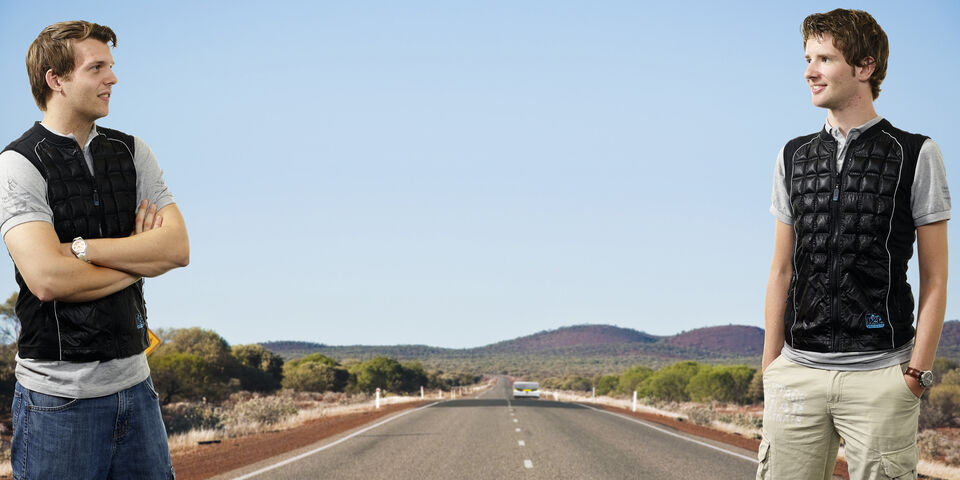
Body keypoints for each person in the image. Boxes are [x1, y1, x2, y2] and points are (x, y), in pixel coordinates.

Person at [758, 8, 951, 480]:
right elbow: (782, 270)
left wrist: (915, 376)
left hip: (882, 376)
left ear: (864, 68)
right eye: (808, 58)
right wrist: (773, 369)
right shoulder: (792, 156)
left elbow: (936, 277)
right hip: (797, 374)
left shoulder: (916, 153)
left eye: (824, 58)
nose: (809, 71)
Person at [0, 21, 189, 479]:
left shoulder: (132, 152)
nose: (113, 78)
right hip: (57, 403)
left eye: (111, 66)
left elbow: (177, 248)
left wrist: (82, 250)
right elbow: (48, 280)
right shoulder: (17, 165)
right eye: (97, 68)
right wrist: (139, 259)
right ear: (56, 79)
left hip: (136, 390)